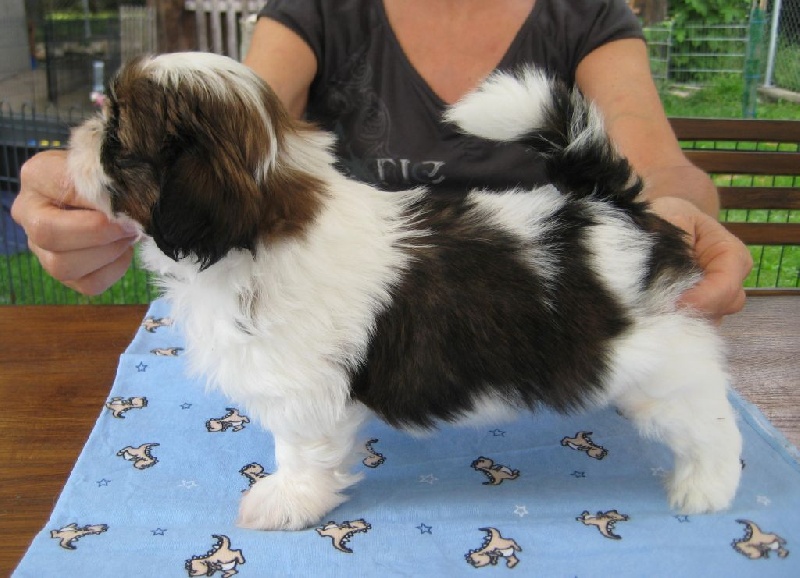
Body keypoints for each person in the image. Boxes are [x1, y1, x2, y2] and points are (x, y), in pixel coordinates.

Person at [11, 0, 751, 321]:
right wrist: (111, 176)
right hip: (366, 342)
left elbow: (655, 161)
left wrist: (675, 213)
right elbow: (237, 138)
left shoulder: (584, 15)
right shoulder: (319, 11)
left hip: (543, 327)